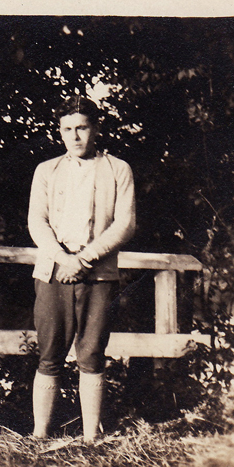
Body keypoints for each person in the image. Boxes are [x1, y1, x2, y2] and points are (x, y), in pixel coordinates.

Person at [27, 96, 136, 443]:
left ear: (96, 129)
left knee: (91, 353)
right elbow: (36, 222)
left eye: (82, 128)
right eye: (67, 129)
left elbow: (125, 224)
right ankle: (40, 433)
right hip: (53, 271)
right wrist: (64, 259)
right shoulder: (47, 170)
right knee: (49, 352)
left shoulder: (118, 169)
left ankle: (91, 437)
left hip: (98, 273)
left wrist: (85, 259)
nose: (74, 136)